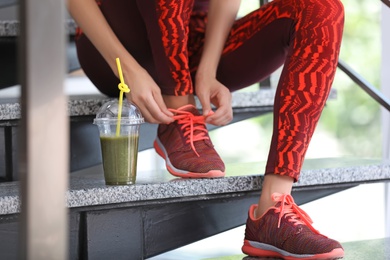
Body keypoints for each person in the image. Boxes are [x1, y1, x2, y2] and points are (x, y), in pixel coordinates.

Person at [67, 0, 345, 258]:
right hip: (121, 46)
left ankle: (273, 208)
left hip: (197, 41)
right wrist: (128, 70)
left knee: (321, 10)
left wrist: (208, 71)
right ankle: (179, 113)